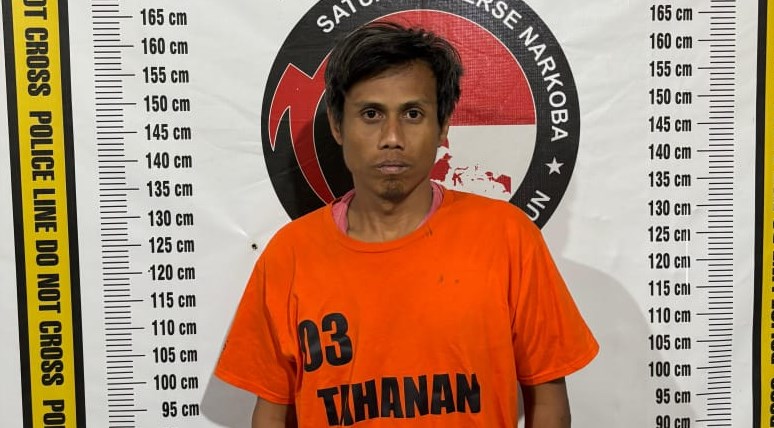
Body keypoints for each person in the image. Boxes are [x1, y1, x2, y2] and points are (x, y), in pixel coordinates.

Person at [215, 21, 598, 428]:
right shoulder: (289, 256)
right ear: (338, 126)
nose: (392, 137)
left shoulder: (507, 238)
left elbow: (549, 401)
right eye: (371, 114)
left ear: (443, 126)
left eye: (413, 114)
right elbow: (271, 414)